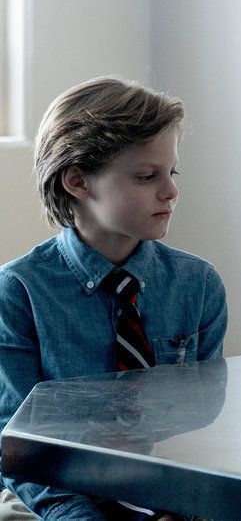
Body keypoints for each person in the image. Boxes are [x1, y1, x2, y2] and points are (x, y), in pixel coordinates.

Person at [0, 76, 228, 519]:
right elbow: (15, 446)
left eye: (171, 172)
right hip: (51, 491)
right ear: (78, 181)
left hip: (166, 487)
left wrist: (179, 505)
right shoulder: (19, 292)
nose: (171, 191)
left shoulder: (198, 285)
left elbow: (202, 426)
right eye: (147, 176)